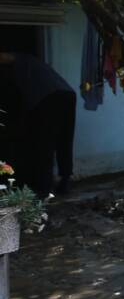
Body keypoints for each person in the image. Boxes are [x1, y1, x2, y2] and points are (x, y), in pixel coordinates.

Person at [0, 52, 76, 197]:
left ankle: (43, 189)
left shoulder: (19, 62)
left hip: (48, 97)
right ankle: (65, 181)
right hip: (66, 93)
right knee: (64, 140)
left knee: (44, 144)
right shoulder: (31, 63)